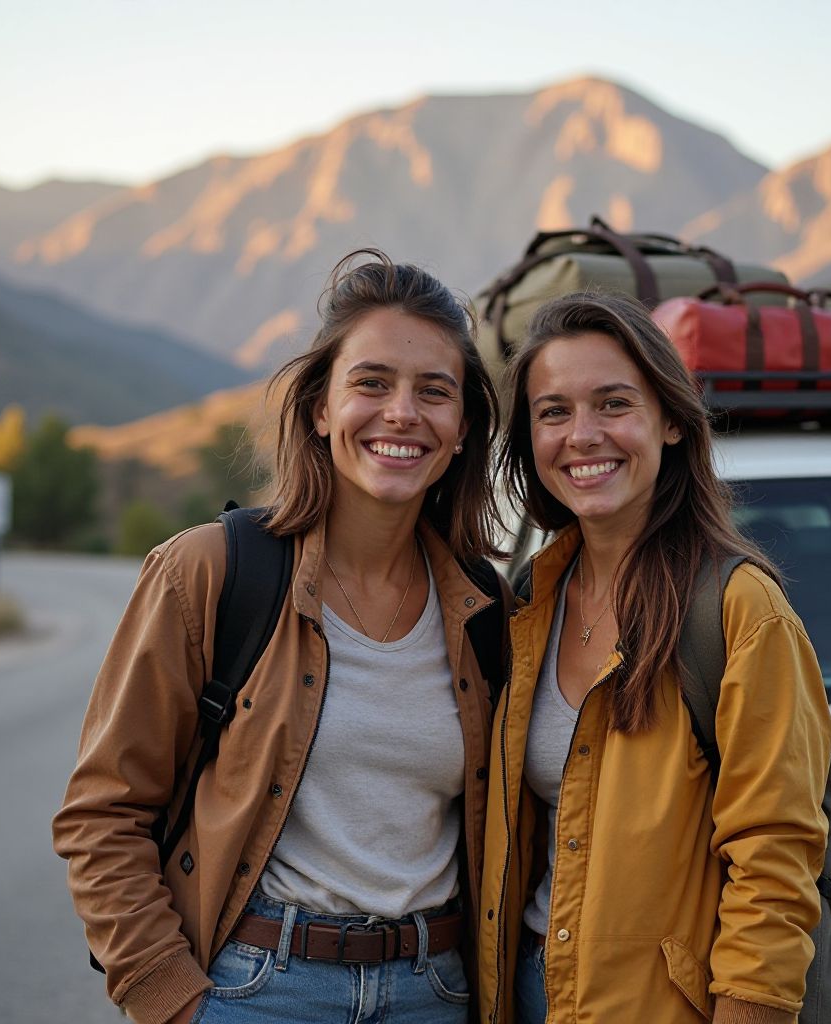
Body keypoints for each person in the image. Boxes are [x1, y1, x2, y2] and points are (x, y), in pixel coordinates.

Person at [53, 250, 508, 1024]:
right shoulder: (210, 570)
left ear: (462, 430)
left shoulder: (485, 608)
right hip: (261, 991)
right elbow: (103, 814)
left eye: (434, 392)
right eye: (371, 383)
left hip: (437, 992)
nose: (402, 412)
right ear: (321, 408)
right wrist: (170, 998)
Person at [476, 292, 831, 1024]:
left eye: (613, 404)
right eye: (553, 412)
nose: (582, 436)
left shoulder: (738, 612)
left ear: (670, 421)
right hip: (533, 993)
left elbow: (774, 864)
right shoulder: (527, 606)